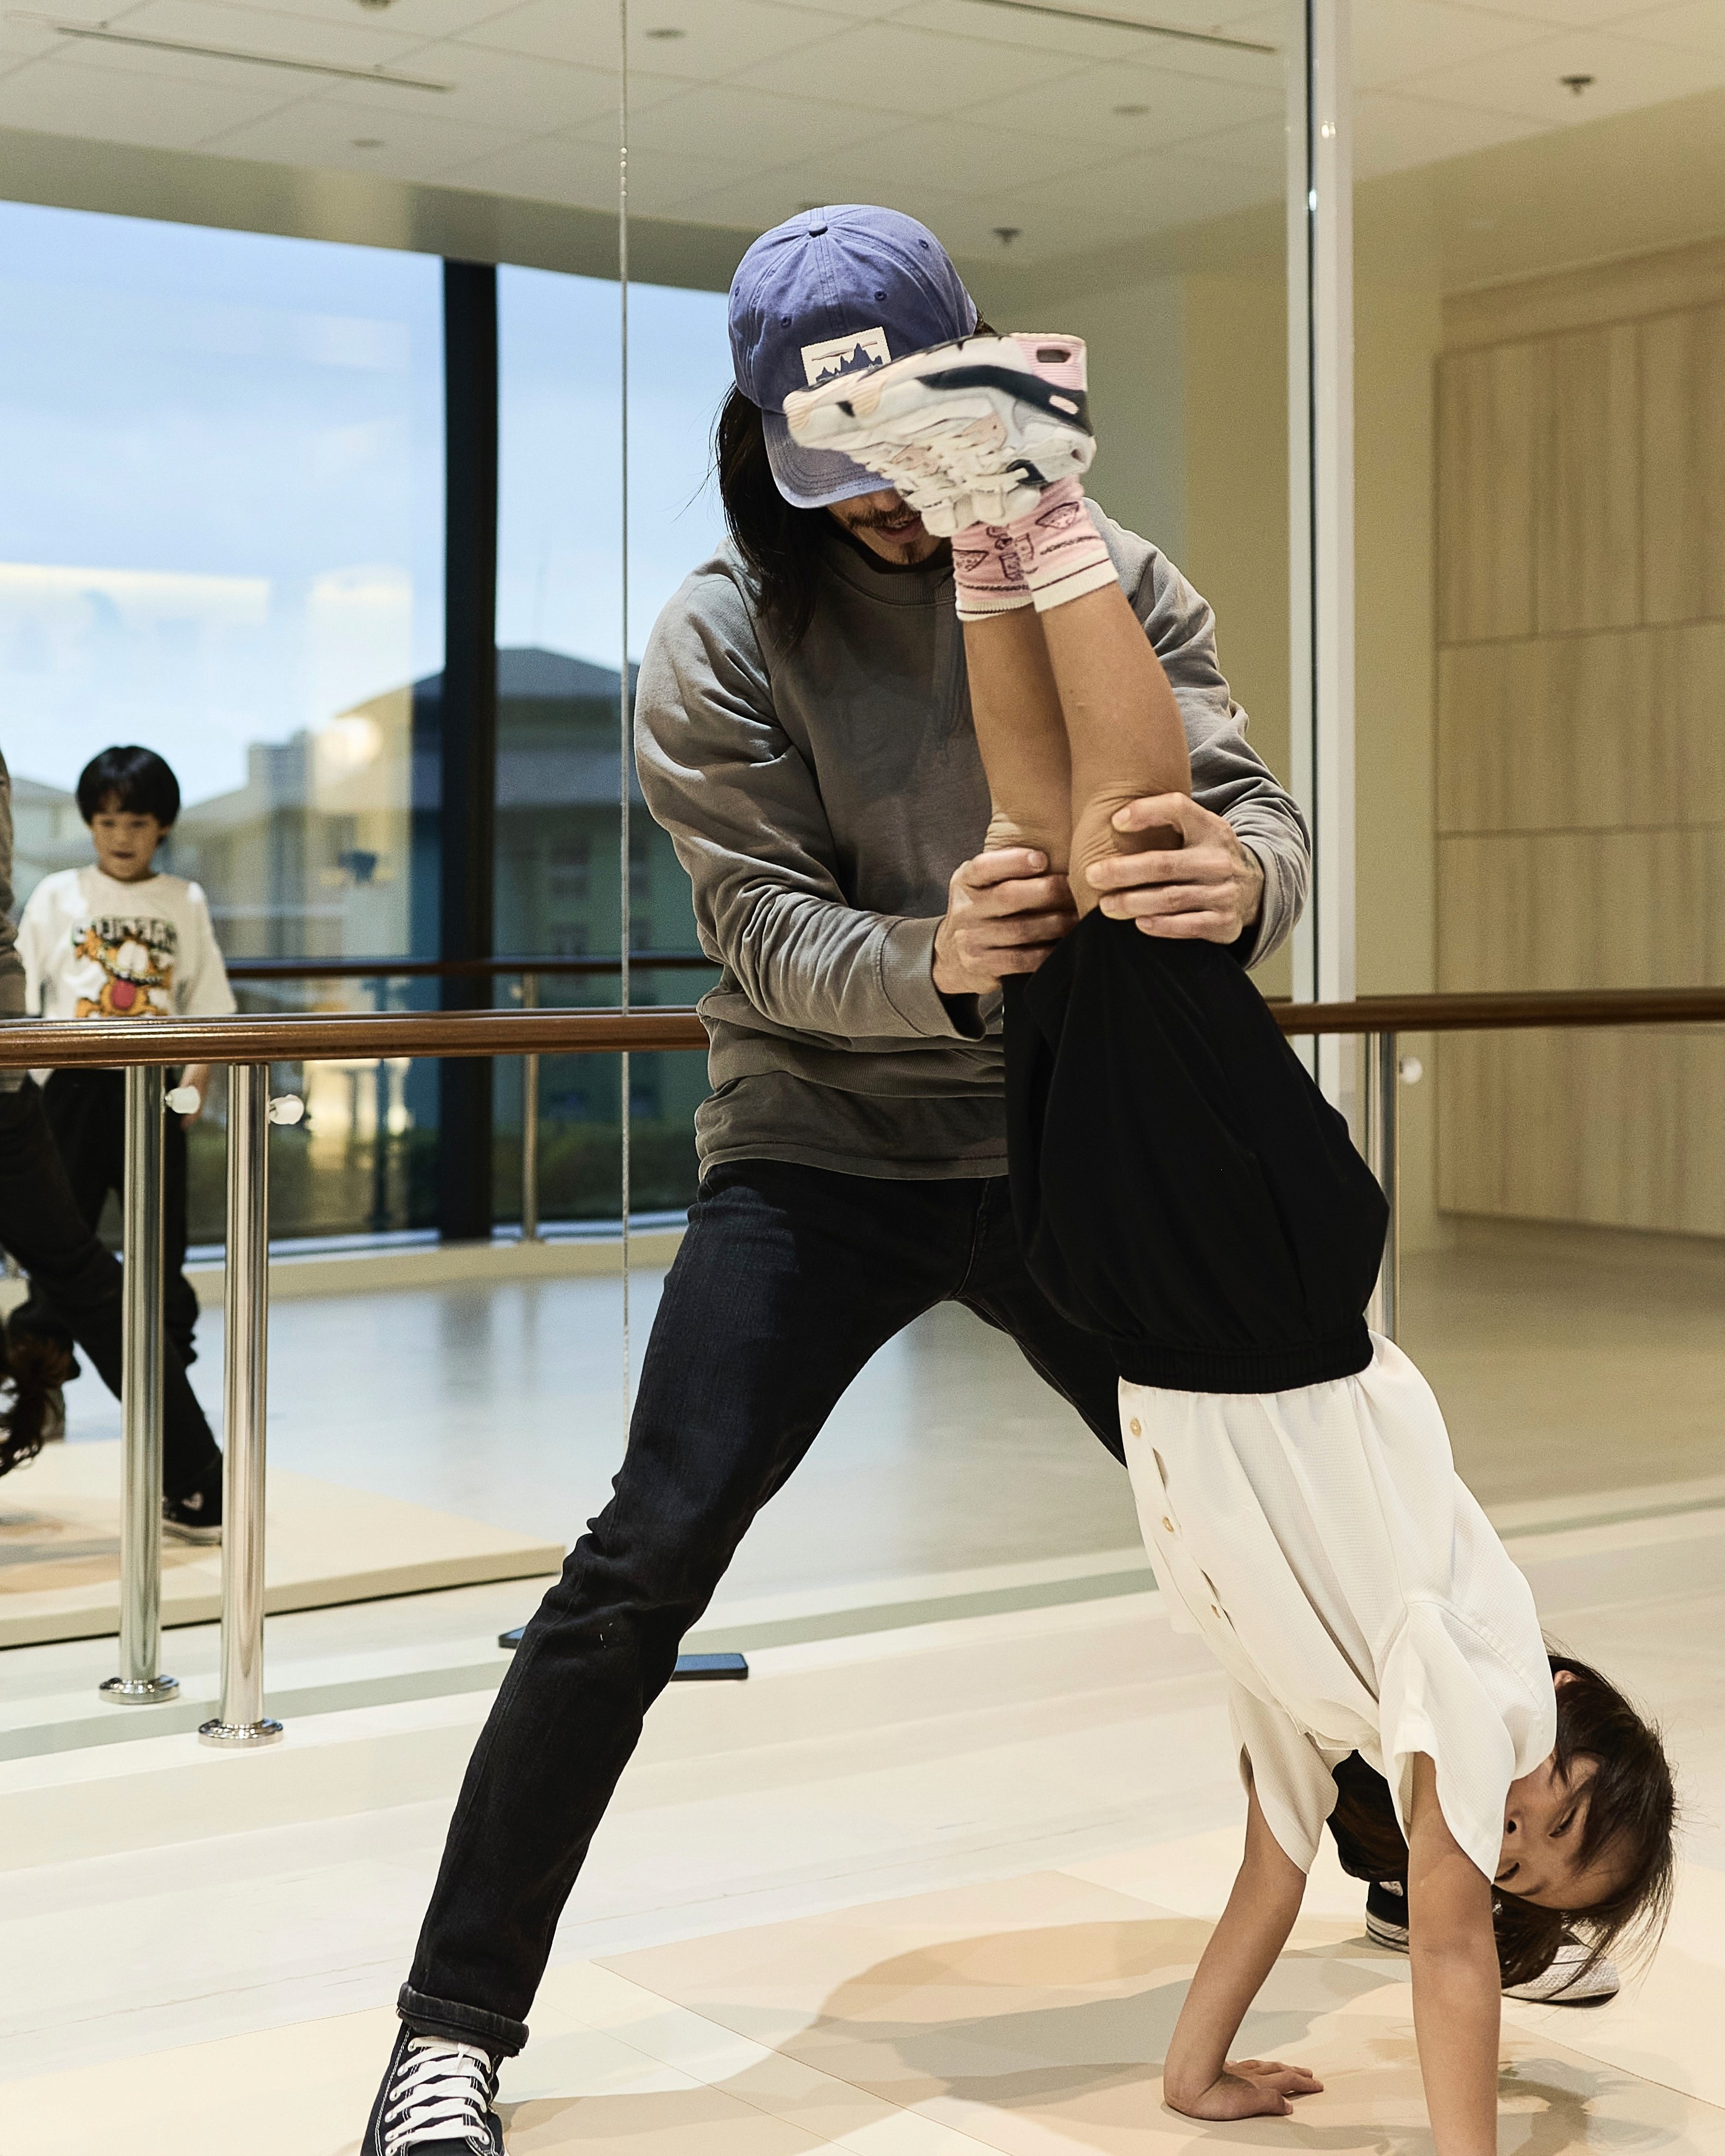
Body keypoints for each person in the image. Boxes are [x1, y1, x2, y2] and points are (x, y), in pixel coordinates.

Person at [362, 206, 1310, 2153]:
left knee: (1273, 1512)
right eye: (841, 465)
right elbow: (762, 937)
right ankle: (448, 2027)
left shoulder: (1106, 571)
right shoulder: (720, 633)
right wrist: (939, 960)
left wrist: (1247, 883)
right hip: (814, 1149)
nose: (886, 498)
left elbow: (1241, 806)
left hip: (1067, 1146)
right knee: (641, 1559)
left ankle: (1405, 1845)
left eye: (910, 444)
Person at [801, 335, 1676, 2148]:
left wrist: (1190, 2071)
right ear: (1568, 1713)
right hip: (1267, 1299)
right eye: (1557, 1807)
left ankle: (978, 521)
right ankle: (1042, 477)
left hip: (1153, 1313)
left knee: (1040, 859)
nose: (1503, 1833)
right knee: (1133, 851)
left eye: (1525, 1861)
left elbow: (1265, 1886)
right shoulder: (1472, 1678)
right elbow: (1438, 1956)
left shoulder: (1329, 1720)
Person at [0, 746, 224, 1529]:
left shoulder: (183, 899)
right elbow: (21, 991)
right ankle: (39, 1385)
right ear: (89, 824)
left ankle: (166, 1405)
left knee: (160, 1252)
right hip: (67, 1088)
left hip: (153, 1087)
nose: (121, 835)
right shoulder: (59, 894)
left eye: (136, 822)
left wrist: (194, 1082)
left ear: (162, 827)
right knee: (63, 1252)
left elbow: (211, 1006)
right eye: (106, 821)